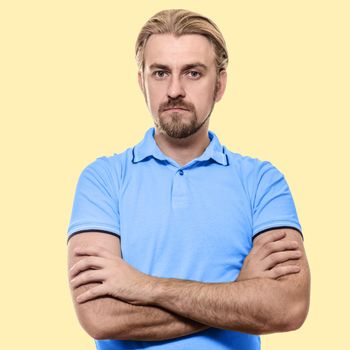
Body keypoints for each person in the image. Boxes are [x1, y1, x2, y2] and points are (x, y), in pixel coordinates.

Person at [67, 8, 310, 350]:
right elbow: (101, 317)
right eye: (161, 73)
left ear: (220, 84)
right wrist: (241, 295)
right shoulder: (103, 179)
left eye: (193, 73)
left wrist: (143, 287)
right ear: (142, 81)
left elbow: (288, 307)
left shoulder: (262, 182)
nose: (175, 90)